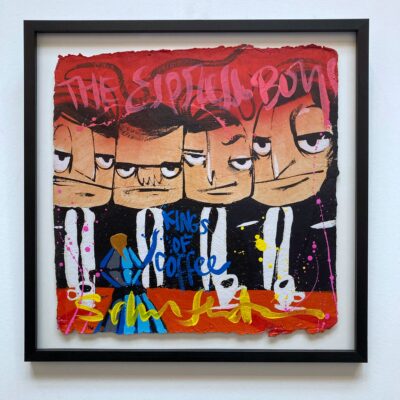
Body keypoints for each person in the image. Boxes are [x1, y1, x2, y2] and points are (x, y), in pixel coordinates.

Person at [230, 70, 338, 303]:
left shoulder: (328, 227)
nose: (278, 169)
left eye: (311, 140)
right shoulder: (234, 225)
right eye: (260, 145)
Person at [181, 105, 254, 307]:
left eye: (240, 161)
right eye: (195, 157)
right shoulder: (180, 218)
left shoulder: (249, 220)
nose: (214, 178)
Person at [53, 99, 117, 306]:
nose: (87, 175)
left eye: (105, 160)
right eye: (61, 156)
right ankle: (75, 289)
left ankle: (87, 289)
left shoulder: (101, 215)